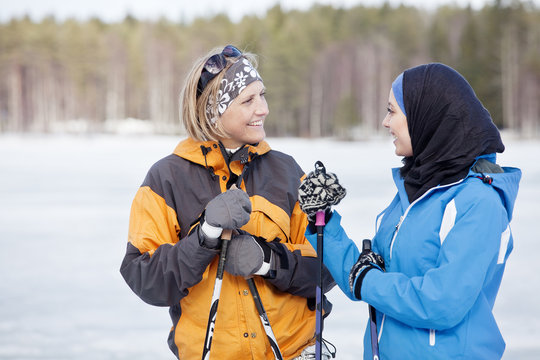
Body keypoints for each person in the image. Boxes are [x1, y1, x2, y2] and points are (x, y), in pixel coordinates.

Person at [120, 45, 335, 360]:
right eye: (248, 100)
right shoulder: (166, 179)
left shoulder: (287, 171)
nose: (263, 109)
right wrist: (204, 236)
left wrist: (267, 260)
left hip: (292, 352)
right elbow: (144, 278)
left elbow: (329, 267)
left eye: (262, 95)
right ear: (213, 111)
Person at [299, 63, 521, 359]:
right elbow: (363, 278)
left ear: (425, 116)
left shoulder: (479, 202)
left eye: (392, 111)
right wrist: (322, 219)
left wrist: (368, 280)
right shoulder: (413, 193)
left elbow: (441, 303)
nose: (385, 122)